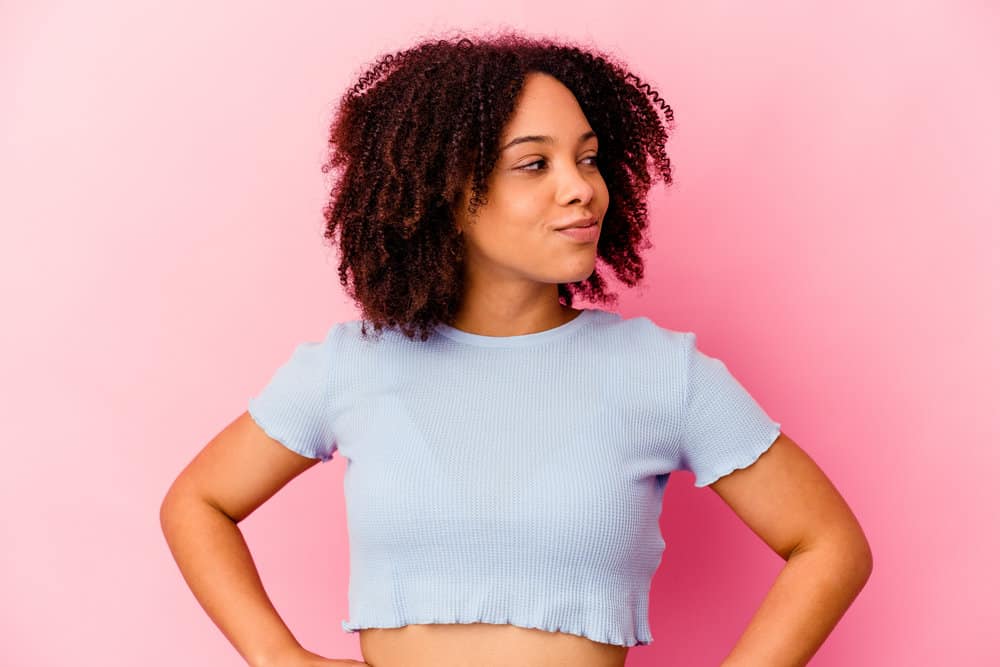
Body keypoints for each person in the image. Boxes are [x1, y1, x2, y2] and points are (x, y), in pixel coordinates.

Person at [159, 31, 872, 667]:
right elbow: (198, 501)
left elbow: (829, 544)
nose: (582, 189)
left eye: (588, 159)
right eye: (535, 164)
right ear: (449, 191)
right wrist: (275, 653)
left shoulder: (661, 373)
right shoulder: (353, 365)